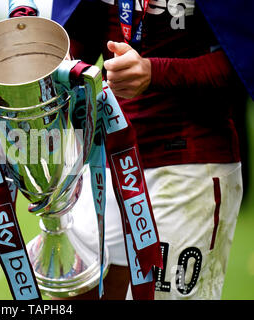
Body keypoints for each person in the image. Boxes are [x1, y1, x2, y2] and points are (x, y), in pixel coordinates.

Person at [49, 0, 245, 300]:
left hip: (190, 163)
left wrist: (155, 72)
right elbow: (80, 39)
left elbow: (243, 66)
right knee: (77, 292)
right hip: (109, 154)